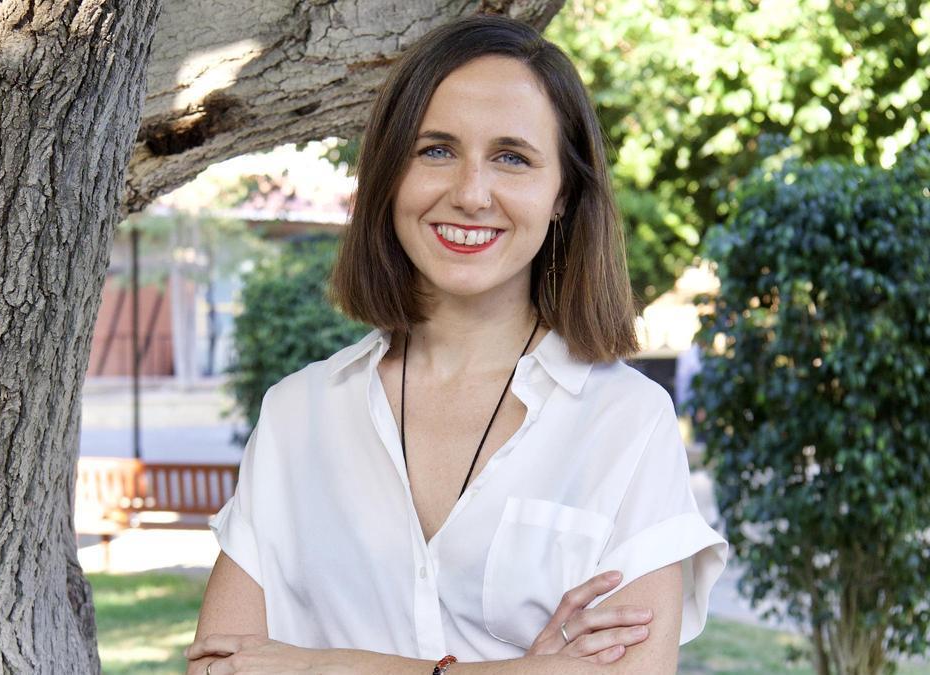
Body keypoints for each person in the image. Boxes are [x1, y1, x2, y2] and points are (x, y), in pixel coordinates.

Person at [185, 15, 727, 675]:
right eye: (436, 149)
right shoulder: (297, 414)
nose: (470, 193)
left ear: (563, 193)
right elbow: (218, 668)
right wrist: (524, 668)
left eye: (512, 157)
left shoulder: (628, 423)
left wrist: (323, 664)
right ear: (390, 176)